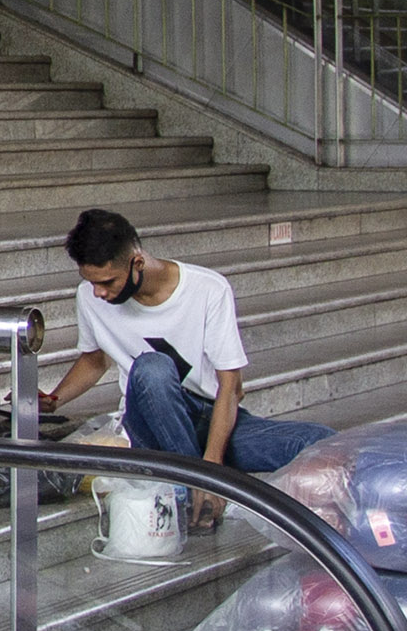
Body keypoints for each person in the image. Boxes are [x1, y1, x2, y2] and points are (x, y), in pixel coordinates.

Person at [37, 207, 331, 485]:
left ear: (137, 263)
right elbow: (94, 361)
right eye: (91, 282)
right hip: (149, 423)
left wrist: (213, 459)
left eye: (108, 282)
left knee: (321, 441)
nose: (99, 292)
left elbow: (231, 386)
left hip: (207, 418)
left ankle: (195, 472)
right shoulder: (89, 297)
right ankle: (194, 484)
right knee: (153, 368)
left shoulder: (208, 289)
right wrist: (55, 399)